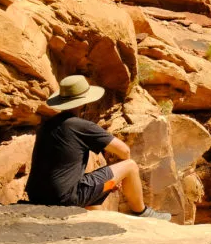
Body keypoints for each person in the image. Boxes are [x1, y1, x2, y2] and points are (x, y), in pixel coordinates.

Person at [25, 75, 171, 221]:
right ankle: (142, 212)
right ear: (84, 102)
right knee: (130, 166)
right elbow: (124, 151)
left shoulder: (46, 126)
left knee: (92, 198)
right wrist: (119, 177)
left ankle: (97, 221)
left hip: (37, 196)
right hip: (64, 199)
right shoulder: (80, 125)